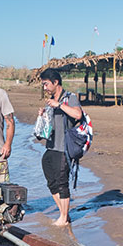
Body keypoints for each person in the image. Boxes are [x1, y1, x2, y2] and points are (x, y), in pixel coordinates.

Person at [39, 69, 83, 226]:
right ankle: (64, 214)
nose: (44, 88)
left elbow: (78, 115)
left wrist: (59, 105)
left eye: (46, 84)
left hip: (63, 147)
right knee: (52, 182)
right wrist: (43, 115)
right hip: (50, 147)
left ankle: (63, 218)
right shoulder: (50, 100)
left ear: (55, 82)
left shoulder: (70, 98)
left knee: (62, 183)